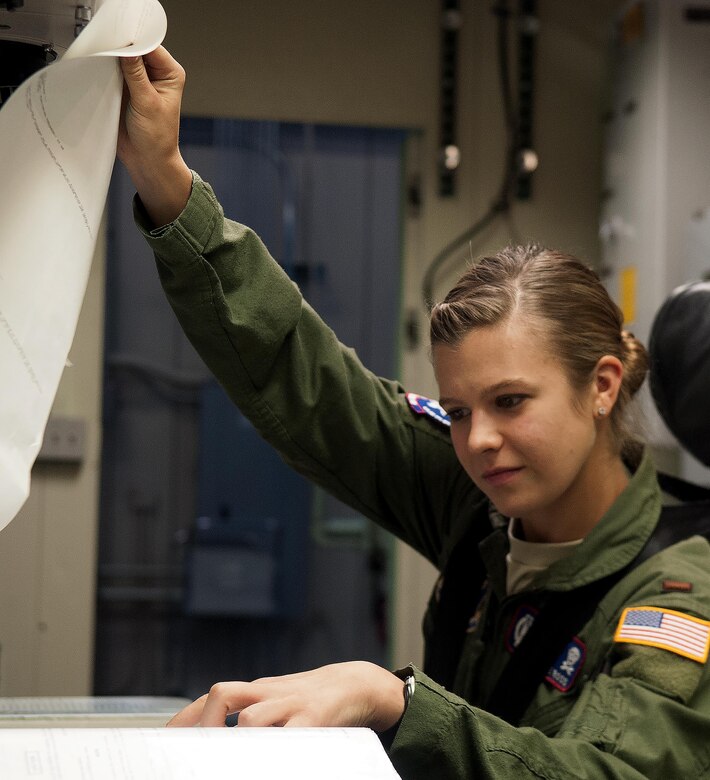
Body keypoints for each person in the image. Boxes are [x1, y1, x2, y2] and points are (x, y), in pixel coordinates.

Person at [117, 47, 710, 779]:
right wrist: (164, 180)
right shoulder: (483, 502)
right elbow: (308, 383)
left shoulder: (678, 587)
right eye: (458, 411)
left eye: (511, 402)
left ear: (603, 384)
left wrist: (394, 701)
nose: (479, 441)